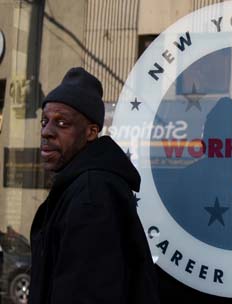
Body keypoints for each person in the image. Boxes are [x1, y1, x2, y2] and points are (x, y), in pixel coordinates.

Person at [30, 67, 160, 304]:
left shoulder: (92, 195)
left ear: (91, 132)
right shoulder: (81, 186)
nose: (47, 132)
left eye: (62, 123)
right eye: (45, 121)